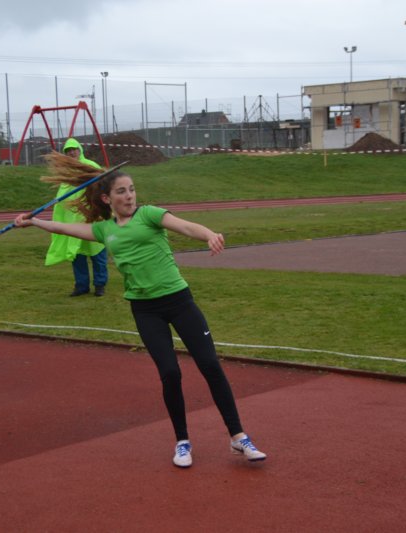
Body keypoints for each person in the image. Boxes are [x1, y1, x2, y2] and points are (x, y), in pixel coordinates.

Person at [15, 153, 267, 468]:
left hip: (179, 301)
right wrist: (33, 221)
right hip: (146, 310)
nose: (129, 196)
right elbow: (65, 229)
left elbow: (185, 227)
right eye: (121, 191)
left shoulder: (149, 214)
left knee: (210, 365)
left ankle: (238, 437)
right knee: (170, 373)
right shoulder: (104, 229)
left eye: (132, 189)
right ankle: (182, 442)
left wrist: (209, 235)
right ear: (107, 198)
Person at [45, 138, 108, 297]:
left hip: (90, 218)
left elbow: (102, 186)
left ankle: (100, 285)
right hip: (72, 220)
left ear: (80, 149)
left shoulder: (90, 166)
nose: (72, 152)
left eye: (74, 149)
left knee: (97, 251)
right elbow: (63, 195)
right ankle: (81, 286)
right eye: (68, 150)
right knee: (76, 253)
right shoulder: (66, 171)